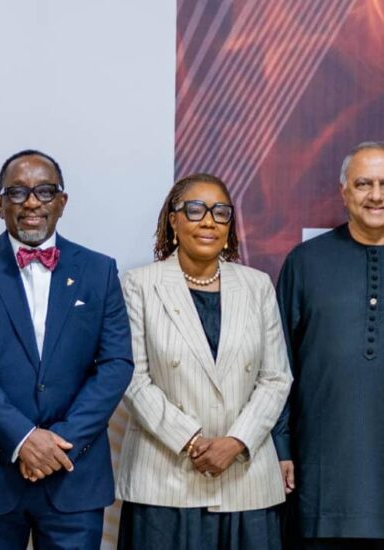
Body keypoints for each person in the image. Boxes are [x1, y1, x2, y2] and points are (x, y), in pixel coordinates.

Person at [0, 149, 134, 549]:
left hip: (73, 472)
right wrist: (23, 438)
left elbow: (116, 364)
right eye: (17, 192)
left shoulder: (99, 270)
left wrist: (60, 443)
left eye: (45, 191)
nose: (31, 202)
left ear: (62, 201)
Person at [116, 173, 292, 550]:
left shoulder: (258, 286)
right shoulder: (139, 285)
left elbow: (276, 378)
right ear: (173, 221)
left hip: (245, 478)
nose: (209, 221)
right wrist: (191, 441)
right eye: (195, 210)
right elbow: (132, 377)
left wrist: (235, 441)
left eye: (220, 212)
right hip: (165, 478)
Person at [273, 141, 384, 549]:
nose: (376, 195)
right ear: (344, 191)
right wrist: (281, 445)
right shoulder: (305, 262)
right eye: (364, 184)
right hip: (324, 479)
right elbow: (277, 363)